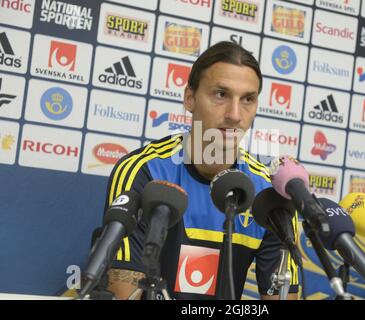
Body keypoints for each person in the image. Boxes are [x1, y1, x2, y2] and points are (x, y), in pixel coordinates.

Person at [103, 41, 299, 300]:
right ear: (190, 98)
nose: (234, 114)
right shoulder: (143, 170)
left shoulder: (269, 193)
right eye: (221, 94)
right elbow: (123, 295)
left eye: (248, 99)